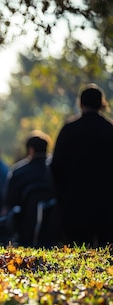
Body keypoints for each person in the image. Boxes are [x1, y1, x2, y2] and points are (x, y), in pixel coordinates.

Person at [49, 83, 113, 246]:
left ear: (80, 103)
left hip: (74, 202)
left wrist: (61, 195)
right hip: (106, 202)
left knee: (78, 251)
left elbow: (56, 166)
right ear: (102, 104)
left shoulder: (69, 130)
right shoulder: (109, 129)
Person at [3, 131, 55, 246]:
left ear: (30, 150)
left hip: (25, 228)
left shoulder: (18, 173)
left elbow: (9, 202)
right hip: (54, 226)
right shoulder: (56, 171)